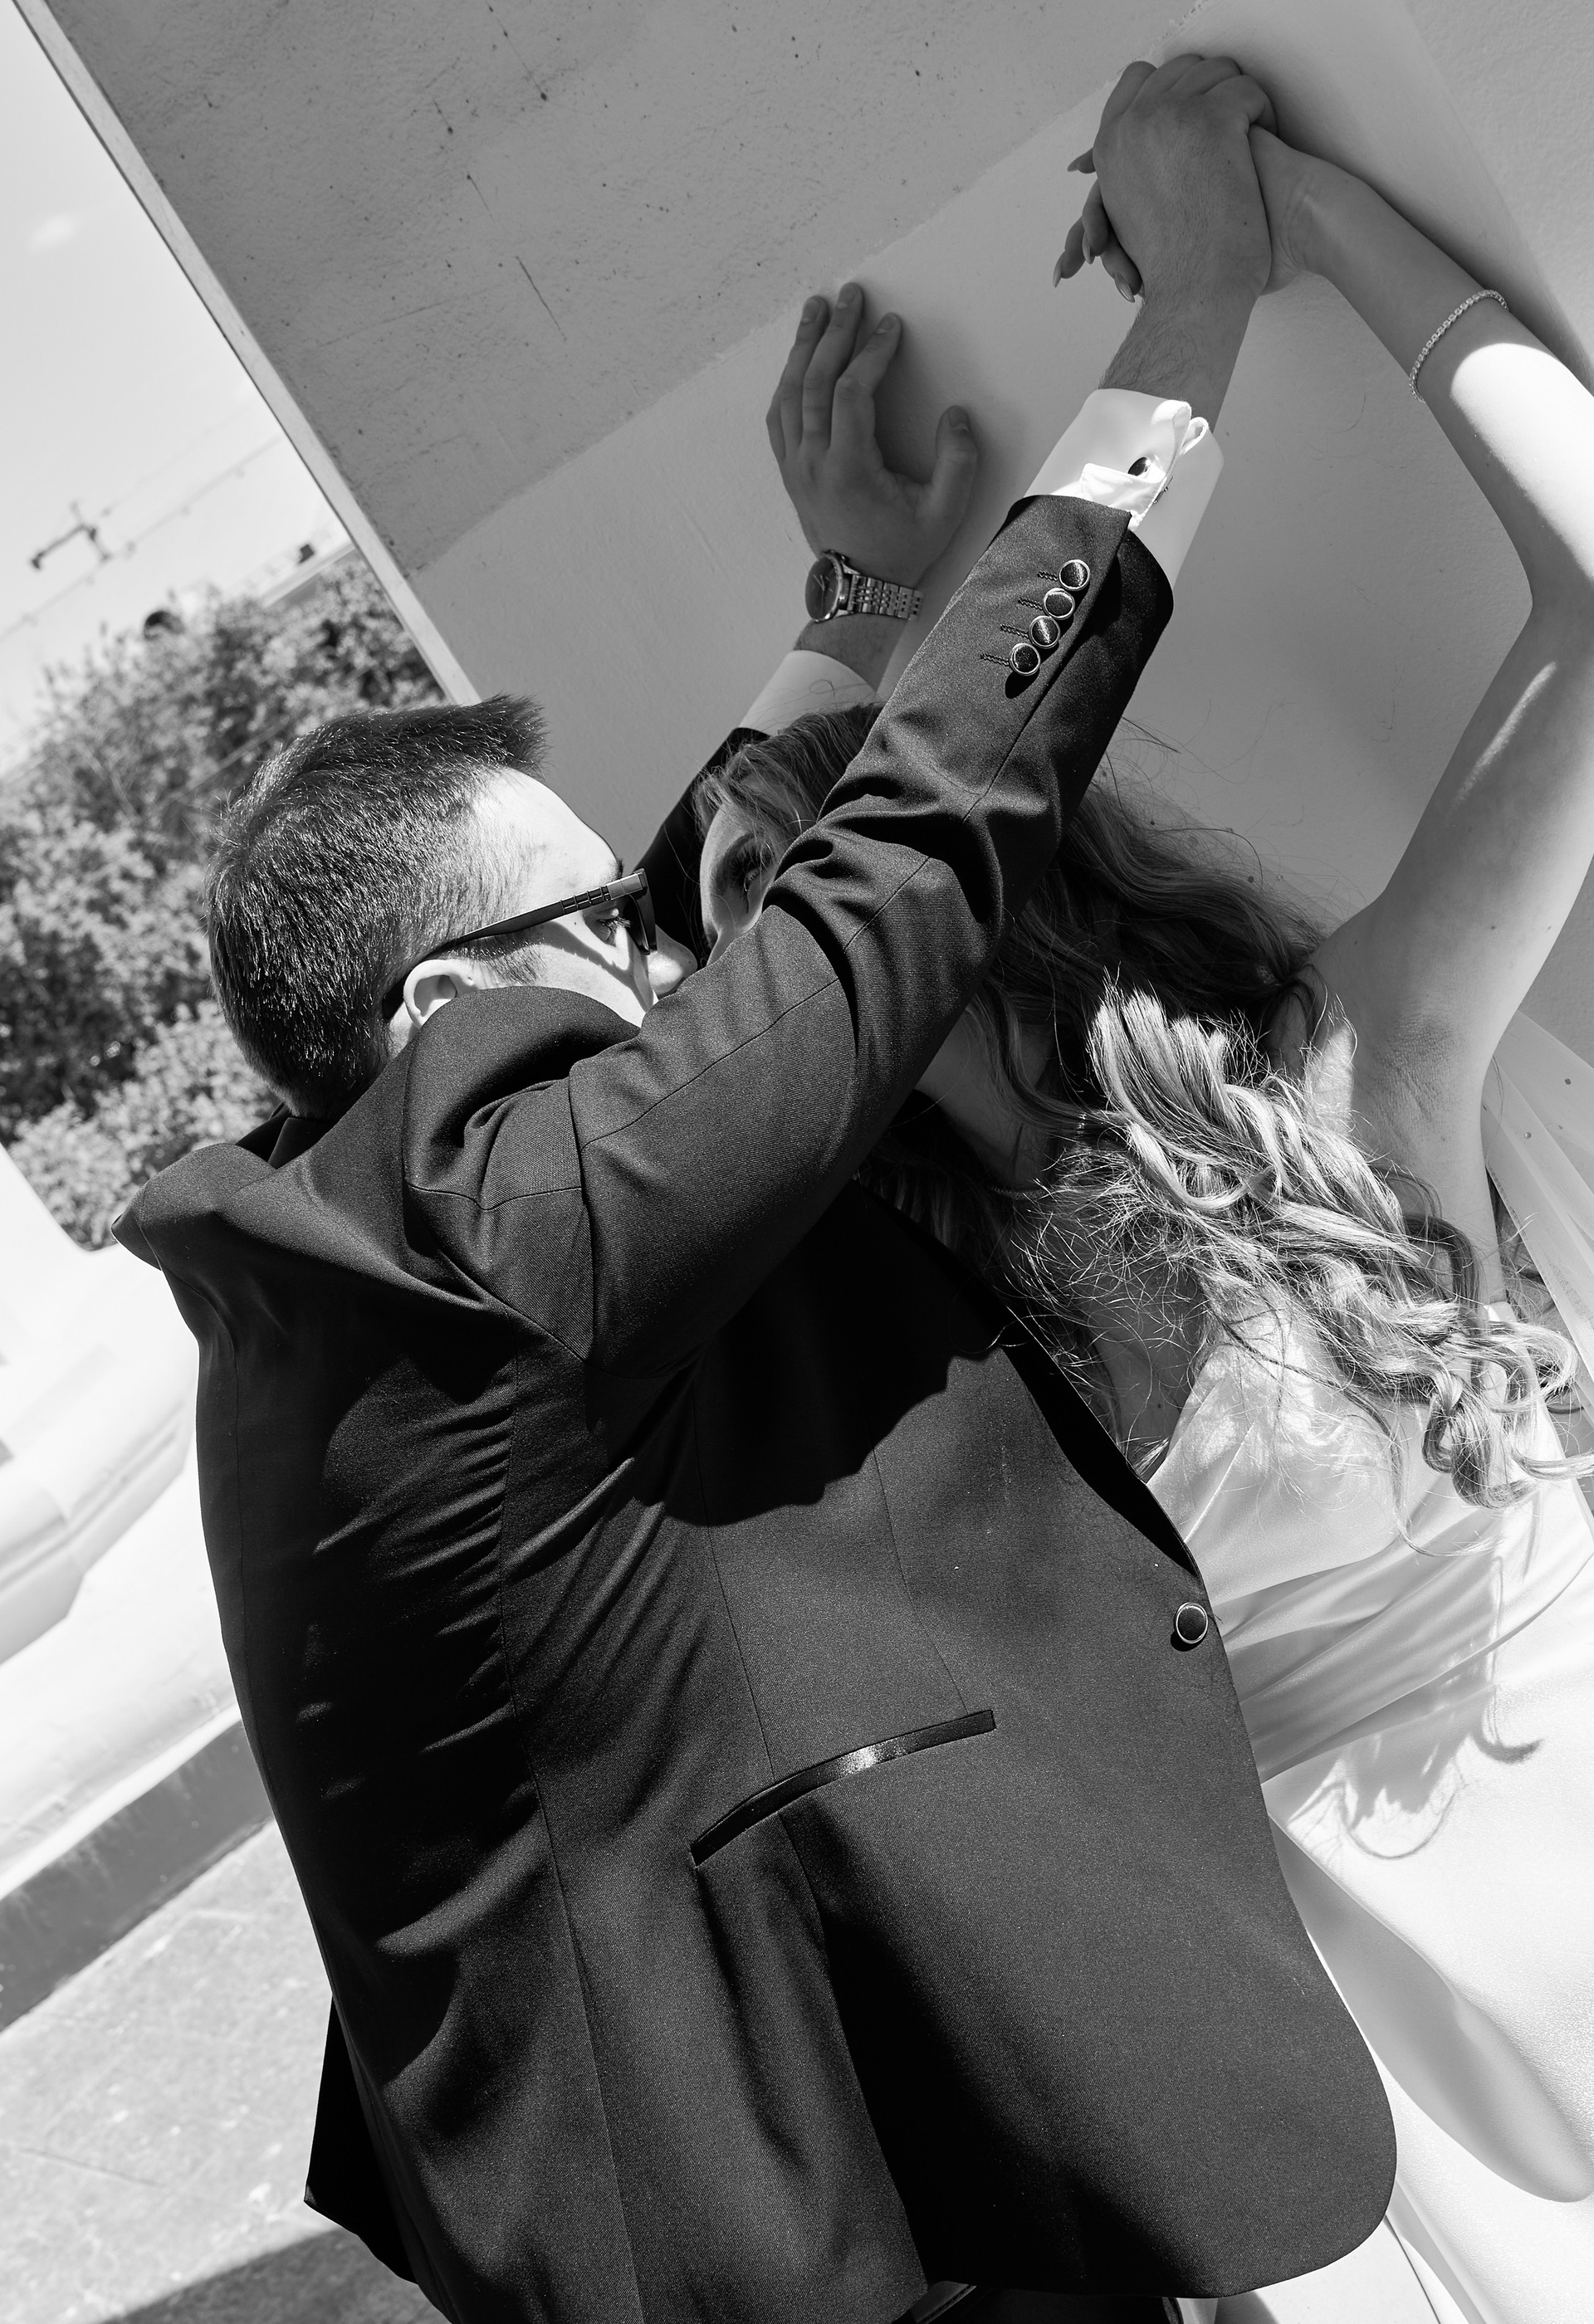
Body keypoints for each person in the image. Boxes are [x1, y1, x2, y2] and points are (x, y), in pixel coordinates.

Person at [114, 63, 1396, 2324]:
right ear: (455, 1003)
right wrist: (1188, 321)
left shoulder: (363, 1256)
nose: (660, 959)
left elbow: (663, 924)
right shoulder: (510, 1238)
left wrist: (851, 596)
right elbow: (900, 864)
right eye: (608, 930)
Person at [699, 68, 1594, 2324]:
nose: (794, 991)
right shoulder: (905, 1353)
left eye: (849, 899)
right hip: (1363, 2065)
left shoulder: (1334, 1075)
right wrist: (856, 607)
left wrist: (1292, 227)